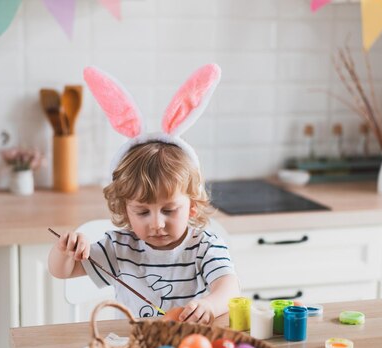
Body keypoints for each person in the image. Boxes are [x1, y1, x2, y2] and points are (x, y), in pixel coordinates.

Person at [48, 63, 240, 323]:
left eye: (169, 210)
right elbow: (62, 271)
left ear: (192, 205)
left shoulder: (205, 246)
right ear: (125, 209)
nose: (157, 223)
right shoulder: (120, 248)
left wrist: (209, 305)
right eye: (142, 211)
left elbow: (228, 290)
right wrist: (65, 250)